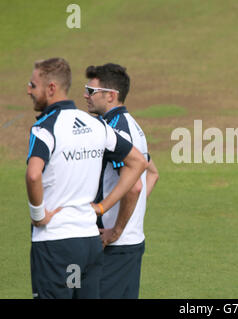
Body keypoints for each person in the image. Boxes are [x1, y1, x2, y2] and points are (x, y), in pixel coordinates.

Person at [25, 57, 148, 299]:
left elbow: (33, 174)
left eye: (32, 84)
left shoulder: (44, 128)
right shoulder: (99, 127)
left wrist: (39, 215)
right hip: (90, 241)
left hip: (57, 241)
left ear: (51, 88)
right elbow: (143, 165)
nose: (28, 90)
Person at [84, 63, 159, 299]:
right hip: (129, 243)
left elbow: (135, 186)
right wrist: (130, 212)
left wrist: (116, 229)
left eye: (91, 90)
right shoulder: (132, 125)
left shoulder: (116, 131)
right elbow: (152, 173)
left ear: (111, 95)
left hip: (115, 245)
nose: (85, 95)